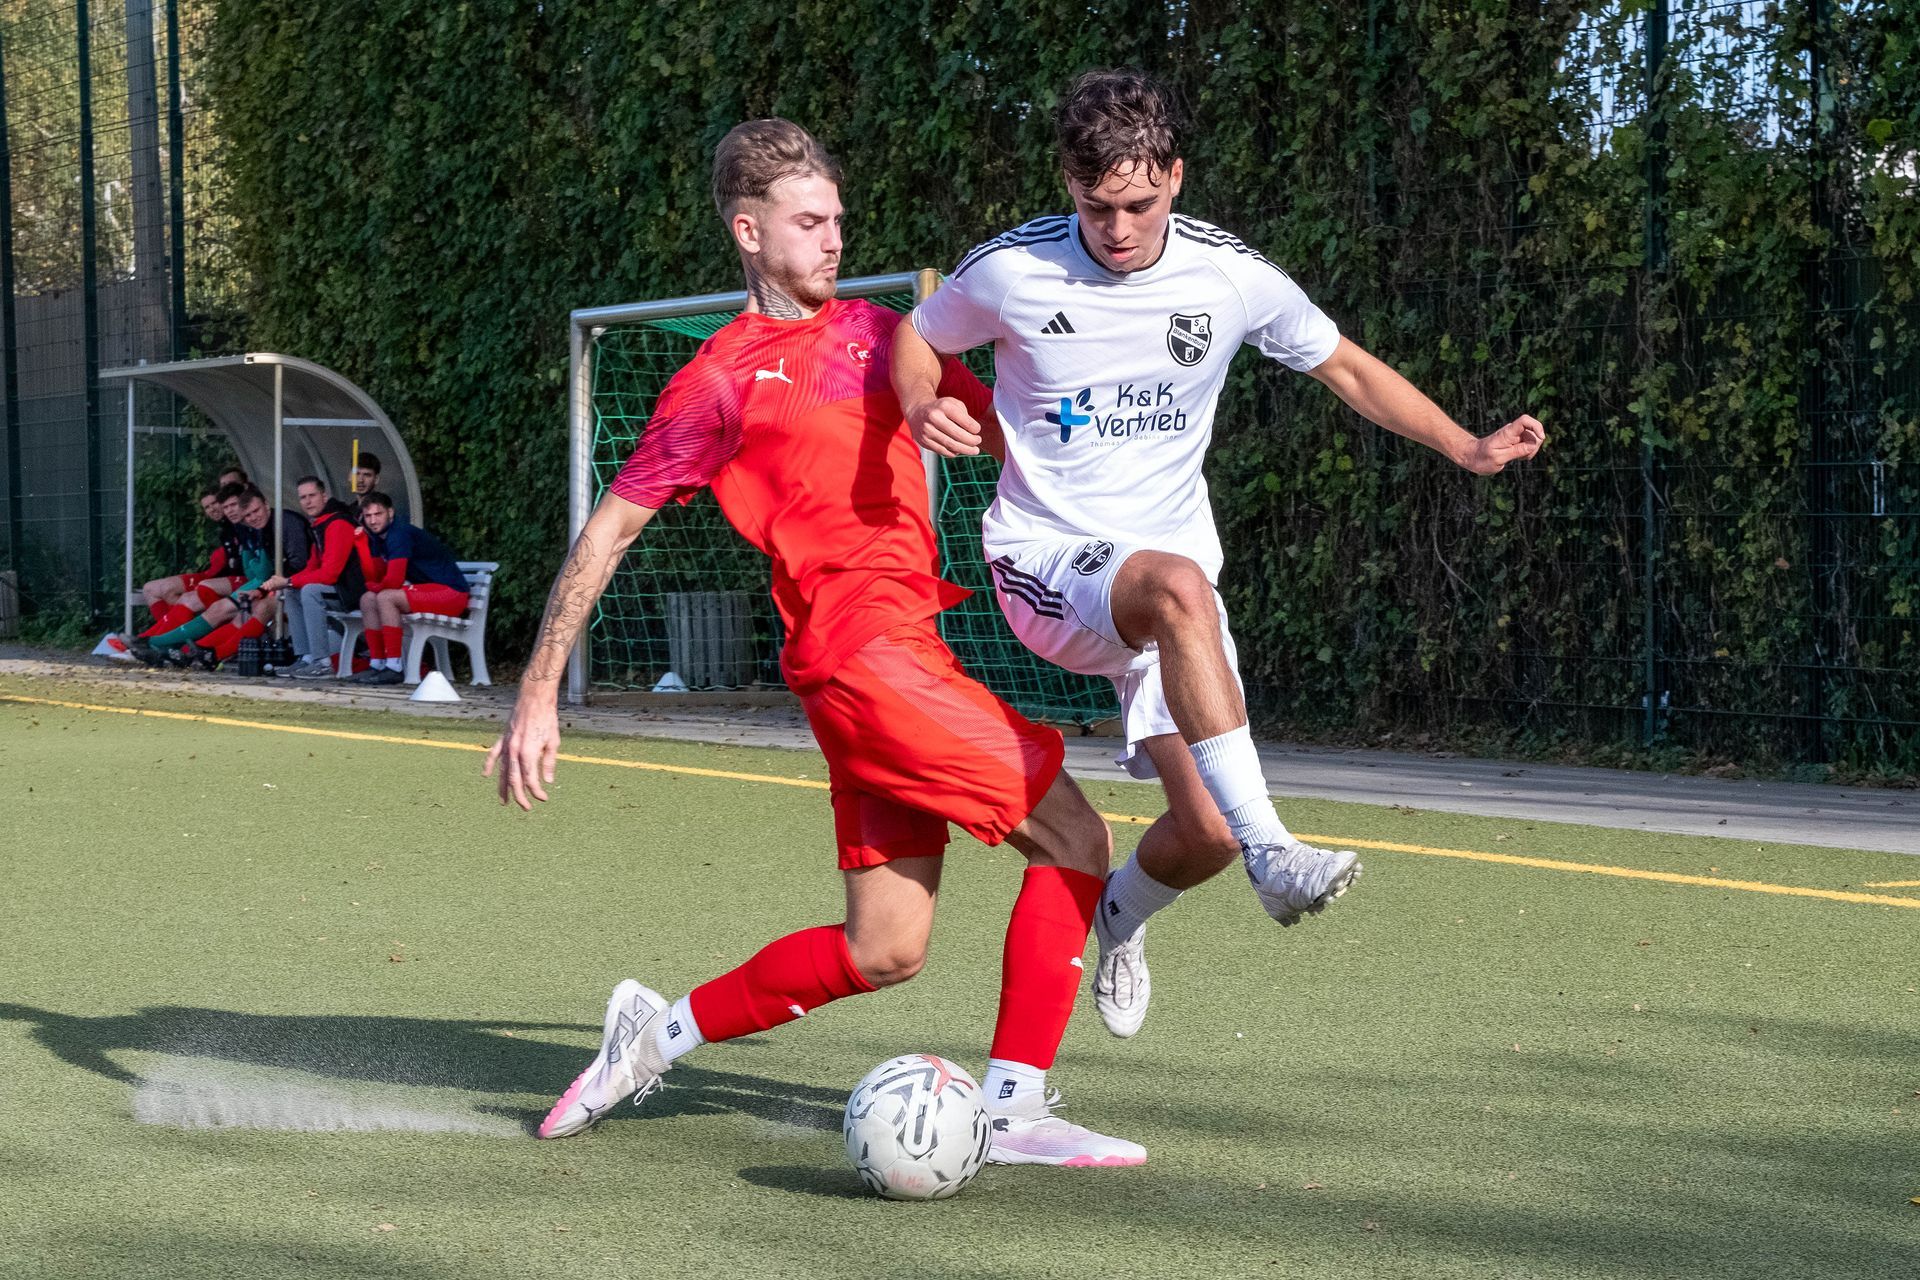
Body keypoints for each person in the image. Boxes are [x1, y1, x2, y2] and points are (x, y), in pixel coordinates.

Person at [484, 118, 1144, 1167]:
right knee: (1079, 838)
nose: (834, 238)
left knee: (884, 947)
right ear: (749, 232)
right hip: (862, 661)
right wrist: (535, 695)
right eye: (807, 222)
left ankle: (652, 1037)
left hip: (893, 658)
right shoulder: (718, 380)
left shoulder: (890, 335)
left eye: (837, 218)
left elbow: (1023, 434)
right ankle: (1017, 1109)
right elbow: (607, 533)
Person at [893, 69, 1546, 1039]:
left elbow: (1344, 364)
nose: (1119, 229)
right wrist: (920, 401)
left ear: (1176, 176)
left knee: (1203, 830)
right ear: (1069, 185)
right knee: (1181, 588)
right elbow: (917, 335)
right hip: (1048, 560)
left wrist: (1465, 447)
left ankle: (1120, 917)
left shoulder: (1228, 276)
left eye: (1139, 205)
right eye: (1097, 207)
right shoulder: (1012, 269)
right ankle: (1275, 850)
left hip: (1170, 601)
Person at [347, 492, 470, 686]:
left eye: (378, 514)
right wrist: (362, 545)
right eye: (368, 516)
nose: (373, 521)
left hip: (452, 594)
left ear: (390, 512)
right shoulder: (378, 537)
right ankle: (377, 664)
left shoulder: (399, 534)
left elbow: (394, 580)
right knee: (367, 599)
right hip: (430, 591)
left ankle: (394, 667)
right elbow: (375, 576)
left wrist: (376, 586)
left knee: (386, 597)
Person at [262, 475, 356, 678]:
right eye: (303, 497)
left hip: (352, 591)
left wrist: (289, 580)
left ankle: (323, 662)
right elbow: (311, 567)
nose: (307, 501)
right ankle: (306, 657)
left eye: (312, 495)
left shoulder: (338, 522)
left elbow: (330, 574)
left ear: (324, 496)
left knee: (310, 591)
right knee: (292, 591)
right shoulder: (320, 524)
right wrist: (285, 583)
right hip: (338, 589)